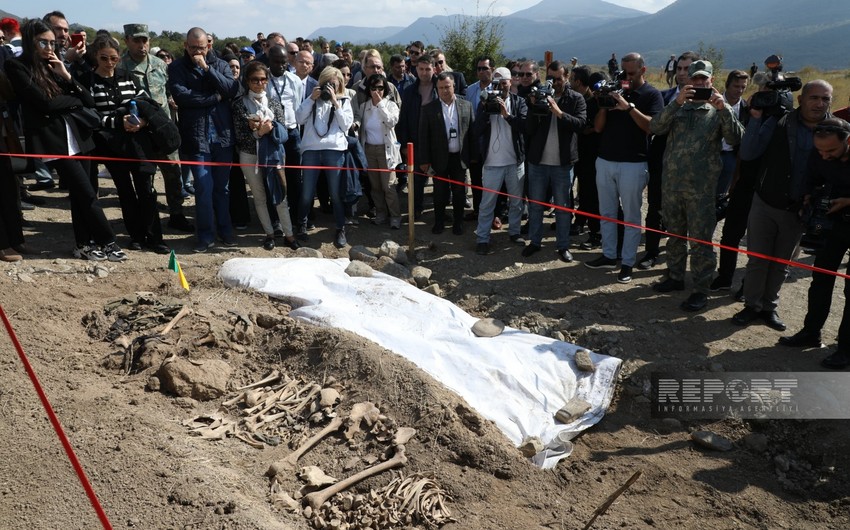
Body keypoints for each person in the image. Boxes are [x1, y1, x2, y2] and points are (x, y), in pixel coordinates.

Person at [6, 18, 126, 261]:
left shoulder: (55, 65)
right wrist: (73, 101)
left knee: (84, 194)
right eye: (44, 42)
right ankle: (108, 241)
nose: (50, 48)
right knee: (86, 193)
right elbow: (44, 102)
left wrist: (67, 77)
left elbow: (89, 100)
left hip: (80, 137)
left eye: (52, 43)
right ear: (31, 41)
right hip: (53, 141)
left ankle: (84, 243)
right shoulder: (17, 66)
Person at [732, 80, 833, 330]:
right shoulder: (779, 121)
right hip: (765, 201)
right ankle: (751, 305)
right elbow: (749, 152)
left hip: (798, 209)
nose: (819, 103)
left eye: (825, 99)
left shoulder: (837, 130)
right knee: (757, 259)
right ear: (801, 100)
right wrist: (756, 118)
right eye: (814, 98)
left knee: (781, 264)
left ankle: (769, 308)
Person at [648, 60, 744, 311]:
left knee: (701, 241)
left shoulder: (719, 110)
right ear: (688, 80)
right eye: (696, 79)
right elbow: (654, 126)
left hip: (701, 189)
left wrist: (724, 109)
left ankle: (701, 289)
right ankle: (675, 276)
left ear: (712, 81)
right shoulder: (677, 106)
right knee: (674, 235)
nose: (700, 83)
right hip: (672, 185)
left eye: (705, 79)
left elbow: (736, 139)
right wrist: (677, 102)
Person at [85, 35, 170, 254]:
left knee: (146, 189)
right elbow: (91, 116)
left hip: (137, 140)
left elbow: (145, 102)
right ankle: (136, 236)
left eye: (114, 58)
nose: (110, 63)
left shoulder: (128, 77)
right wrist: (117, 122)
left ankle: (155, 237)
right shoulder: (90, 82)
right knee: (125, 190)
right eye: (104, 58)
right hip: (110, 144)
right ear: (96, 56)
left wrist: (142, 121)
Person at [585, 52, 663, 284]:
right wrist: (603, 104)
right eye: (623, 72)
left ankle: (627, 262)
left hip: (634, 163)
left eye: (630, 73)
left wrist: (628, 108)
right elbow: (598, 129)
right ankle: (609, 254)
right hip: (606, 160)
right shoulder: (614, 90)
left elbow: (653, 127)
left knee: (630, 216)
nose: (625, 77)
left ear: (642, 70)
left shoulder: (651, 94)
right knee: (607, 212)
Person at [780, 118, 850, 368]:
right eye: (820, 150)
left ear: (847, 141)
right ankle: (811, 331)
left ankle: (846, 349)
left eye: (830, 150)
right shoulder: (818, 153)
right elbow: (810, 177)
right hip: (831, 223)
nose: (824, 155)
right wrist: (809, 198)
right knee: (820, 279)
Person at [168, 27, 240, 253]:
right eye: (192, 48)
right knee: (202, 187)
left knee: (222, 189)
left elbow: (230, 88)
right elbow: (182, 96)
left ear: (208, 46)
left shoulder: (219, 65)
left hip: (223, 138)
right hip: (197, 138)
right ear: (185, 46)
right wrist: (213, 98)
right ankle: (205, 235)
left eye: (201, 47)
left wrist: (206, 69)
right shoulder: (177, 67)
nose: (196, 52)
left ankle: (225, 230)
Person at [120, 23, 194, 233]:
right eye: (136, 40)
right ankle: (147, 219)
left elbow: (168, 90)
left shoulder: (160, 65)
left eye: (145, 40)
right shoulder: (120, 67)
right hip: (138, 132)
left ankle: (176, 214)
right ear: (127, 41)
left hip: (163, 130)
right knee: (145, 178)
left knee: (173, 173)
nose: (141, 45)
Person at [521, 61, 587, 262]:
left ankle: (563, 246)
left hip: (563, 164)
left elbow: (581, 125)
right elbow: (528, 129)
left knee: (563, 207)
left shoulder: (576, 99)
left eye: (559, 79)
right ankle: (535, 242)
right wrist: (533, 107)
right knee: (536, 205)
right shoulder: (537, 95)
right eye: (551, 78)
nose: (555, 82)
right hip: (538, 162)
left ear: (566, 78)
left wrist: (559, 113)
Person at [232, 61, 300, 251]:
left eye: (263, 80)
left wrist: (269, 129)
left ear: (268, 81)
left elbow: (283, 132)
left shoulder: (275, 104)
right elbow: (240, 135)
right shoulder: (239, 105)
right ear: (247, 81)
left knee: (280, 195)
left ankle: (289, 235)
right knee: (260, 197)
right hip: (249, 155)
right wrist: (258, 133)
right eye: (255, 80)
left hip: (274, 155)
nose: (259, 83)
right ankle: (269, 234)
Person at [639, 50, 698, 271]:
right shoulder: (664, 97)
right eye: (679, 69)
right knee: (655, 209)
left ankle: (680, 260)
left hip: (691, 170)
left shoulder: (711, 102)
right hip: (661, 163)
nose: (681, 74)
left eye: (687, 69)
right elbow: (655, 126)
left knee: (686, 216)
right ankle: (652, 252)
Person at [295, 66, 354, 248]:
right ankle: (302, 225)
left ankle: (340, 228)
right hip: (311, 150)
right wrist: (311, 100)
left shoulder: (344, 101)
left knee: (335, 194)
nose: (330, 88)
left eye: (334, 85)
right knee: (307, 192)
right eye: (327, 84)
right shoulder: (312, 99)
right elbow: (299, 119)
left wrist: (336, 103)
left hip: (334, 150)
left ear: (340, 86)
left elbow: (346, 126)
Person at [472, 66, 528, 255]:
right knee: (487, 203)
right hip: (492, 163)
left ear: (510, 82)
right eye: (496, 84)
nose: (501, 87)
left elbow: (524, 126)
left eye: (503, 83)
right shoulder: (484, 103)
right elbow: (476, 130)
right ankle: (482, 238)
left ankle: (514, 231)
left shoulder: (519, 102)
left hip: (514, 161)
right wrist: (488, 111)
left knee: (516, 201)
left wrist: (507, 115)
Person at [418, 72, 474, 235]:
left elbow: (471, 132)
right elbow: (423, 137)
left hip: (459, 158)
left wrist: (473, 156)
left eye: (447, 87)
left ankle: (458, 222)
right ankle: (439, 221)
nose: (444, 90)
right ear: (437, 88)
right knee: (440, 192)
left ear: (454, 86)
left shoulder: (466, 106)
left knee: (459, 192)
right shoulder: (429, 109)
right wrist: (424, 160)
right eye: (441, 88)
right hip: (439, 159)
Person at [265, 44, 304, 227]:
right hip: (272, 135)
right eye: (277, 62)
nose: (281, 66)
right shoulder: (263, 79)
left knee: (294, 176)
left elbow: (298, 104)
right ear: (269, 61)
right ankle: (275, 221)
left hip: (292, 132)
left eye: (284, 62)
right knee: (274, 177)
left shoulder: (294, 80)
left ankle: (295, 216)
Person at [357, 73, 402, 229]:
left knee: (389, 186)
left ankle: (395, 216)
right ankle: (381, 213)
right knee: (375, 187)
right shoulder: (364, 107)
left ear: (385, 89)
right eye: (373, 87)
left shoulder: (391, 105)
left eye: (381, 88)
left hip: (386, 150)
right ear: (368, 89)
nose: (377, 91)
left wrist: (380, 104)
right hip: (369, 149)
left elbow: (391, 122)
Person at [397, 54, 437, 219]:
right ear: (416, 69)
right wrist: (405, 145)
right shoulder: (409, 91)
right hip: (416, 140)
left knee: (440, 178)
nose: (424, 72)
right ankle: (416, 210)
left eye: (427, 69)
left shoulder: (441, 86)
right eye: (420, 69)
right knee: (417, 180)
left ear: (433, 69)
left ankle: (439, 212)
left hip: (437, 140)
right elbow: (403, 119)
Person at [570, 66, 603, 250]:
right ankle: (581, 221)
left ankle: (596, 233)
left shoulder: (597, 104)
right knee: (584, 194)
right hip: (581, 155)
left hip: (595, 156)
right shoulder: (581, 101)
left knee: (593, 196)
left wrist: (587, 128)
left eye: (572, 78)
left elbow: (595, 128)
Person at [464, 55, 494, 218]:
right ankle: (477, 210)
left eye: (485, 68)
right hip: (475, 143)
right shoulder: (470, 90)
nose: (481, 71)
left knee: (493, 180)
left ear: (492, 70)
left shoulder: (498, 90)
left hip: (492, 142)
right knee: (476, 179)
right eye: (479, 68)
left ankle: (494, 213)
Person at [717, 70, 750, 197]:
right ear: (727, 85)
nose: (740, 90)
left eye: (743, 87)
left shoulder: (746, 109)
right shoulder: (713, 102)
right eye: (736, 86)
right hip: (710, 154)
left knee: (720, 194)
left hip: (731, 156)